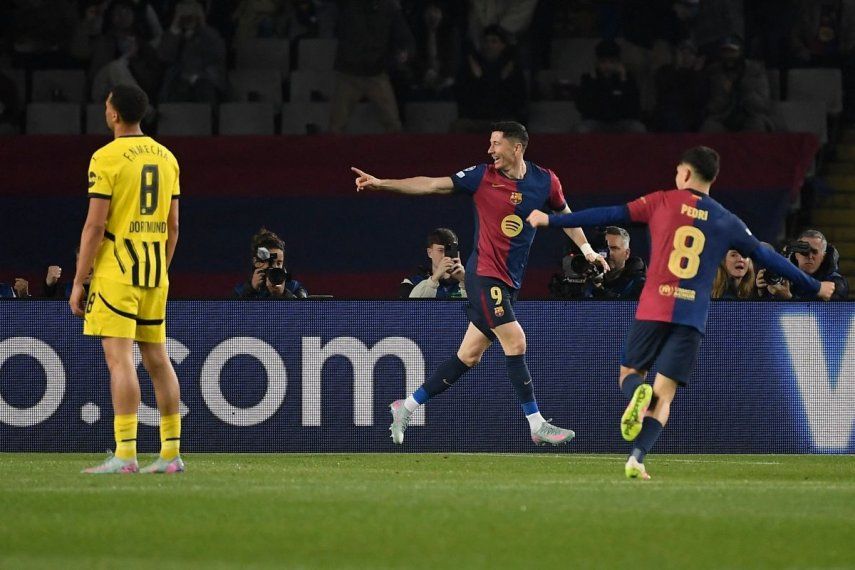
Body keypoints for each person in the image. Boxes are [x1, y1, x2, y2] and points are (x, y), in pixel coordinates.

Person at [527, 146, 836, 480]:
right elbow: (767, 256)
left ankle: (636, 394)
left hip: (655, 306)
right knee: (666, 395)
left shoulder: (661, 201)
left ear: (686, 174)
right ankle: (637, 458)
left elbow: (608, 214)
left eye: (678, 172)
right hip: (691, 316)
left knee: (631, 374)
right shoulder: (725, 219)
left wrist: (551, 219)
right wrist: (813, 286)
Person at [353, 121, 608, 446]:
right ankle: (537, 423)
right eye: (489, 143)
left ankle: (407, 405)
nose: (490, 150)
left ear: (517, 148)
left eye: (496, 144)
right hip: (484, 276)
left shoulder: (545, 181)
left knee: (469, 356)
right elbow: (432, 185)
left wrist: (586, 250)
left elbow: (565, 215)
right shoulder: (482, 177)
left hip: (509, 282)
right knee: (515, 342)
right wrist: (382, 184)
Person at [70, 84, 184, 474]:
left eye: (106, 106)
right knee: (157, 358)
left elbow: (95, 226)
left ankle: (126, 454)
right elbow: (173, 226)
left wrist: (79, 280)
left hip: (117, 271)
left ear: (114, 114)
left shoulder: (106, 157)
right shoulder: (167, 157)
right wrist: (161, 268)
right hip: (155, 271)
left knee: (120, 360)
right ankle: (171, 454)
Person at [574, 39, 646, 134]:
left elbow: (633, 107)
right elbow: (584, 107)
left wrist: (623, 81)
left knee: (638, 128)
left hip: (621, 122)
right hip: (597, 122)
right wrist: (594, 82)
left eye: (612, 62)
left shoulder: (628, 79)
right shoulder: (588, 79)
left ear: (618, 62)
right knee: (582, 129)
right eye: (603, 62)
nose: (607, 66)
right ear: (597, 62)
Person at [757, 229, 850, 300]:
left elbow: (828, 317)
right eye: (804, 252)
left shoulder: (836, 283)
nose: (809, 256)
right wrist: (762, 293)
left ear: (823, 256)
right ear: (796, 254)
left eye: (814, 252)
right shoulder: (782, 276)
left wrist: (788, 299)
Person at [233, 227, 308, 299]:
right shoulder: (240, 291)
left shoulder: (295, 287)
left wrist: (284, 294)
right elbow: (236, 311)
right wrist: (251, 291)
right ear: (256, 262)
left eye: (279, 263)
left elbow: (304, 310)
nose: (275, 267)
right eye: (270, 262)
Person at [399, 227, 466, 299]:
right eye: (440, 250)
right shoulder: (413, 282)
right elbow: (411, 308)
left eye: (449, 251)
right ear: (429, 253)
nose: (445, 256)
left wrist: (465, 281)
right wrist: (434, 279)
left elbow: (476, 306)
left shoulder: (465, 280)